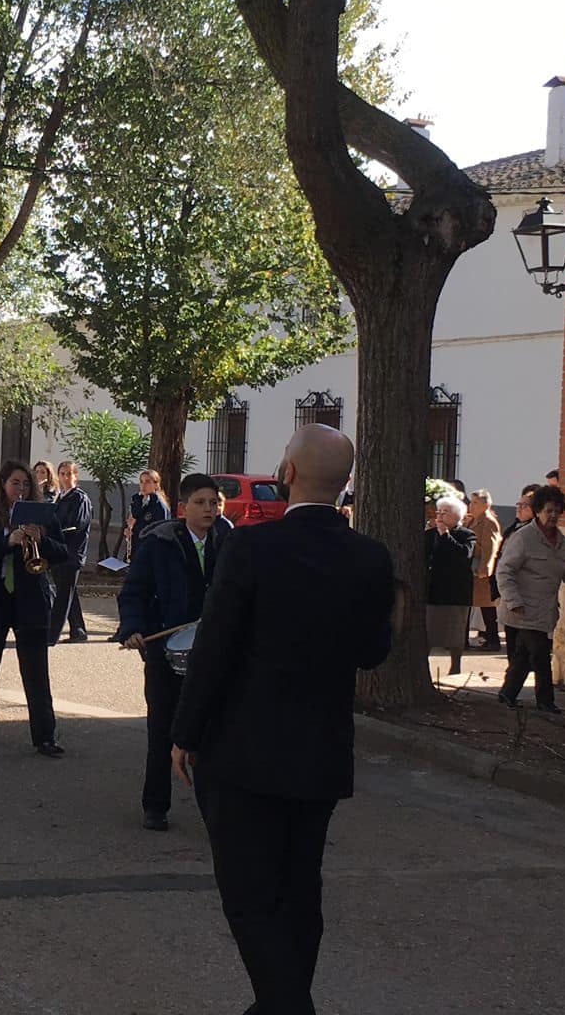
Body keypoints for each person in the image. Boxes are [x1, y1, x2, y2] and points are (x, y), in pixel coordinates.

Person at [170, 425, 394, 1015]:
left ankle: (288, 1004)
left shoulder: (251, 547)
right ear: (345, 482)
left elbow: (214, 647)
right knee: (299, 889)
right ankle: (280, 1002)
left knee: (248, 894)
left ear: (287, 474)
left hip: (243, 748)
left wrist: (184, 733)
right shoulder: (370, 557)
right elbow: (374, 651)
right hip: (320, 748)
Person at [118, 472, 226, 832]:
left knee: (211, 734)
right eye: (200, 502)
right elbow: (134, 592)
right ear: (183, 508)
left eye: (213, 503)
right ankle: (155, 805)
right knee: (161, 729)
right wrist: (133, 628)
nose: (209, 509)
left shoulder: (228, 541)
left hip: (212, 654)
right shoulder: (159, 543)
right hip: (166, 653)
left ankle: (214, 811)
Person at [0, 460, 70, 755]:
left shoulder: (42, 512)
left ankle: (45, 736)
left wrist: (41, 539)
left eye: (26, 484)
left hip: (30, 598)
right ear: (3, 484)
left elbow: (62, 552)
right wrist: (6, 541)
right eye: (15, 483)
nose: (21, 489)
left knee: (36, 671)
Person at [496, 484, 565, 713]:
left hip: (545, 610)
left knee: (524, 655)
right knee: (541, 654)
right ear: (537, 511)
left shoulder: (561, 541)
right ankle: (545, 700)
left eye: (557, 511)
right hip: (523, 609)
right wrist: (513, 601)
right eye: (548, 511)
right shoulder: (523, 537)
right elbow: (504, 571)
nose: (553, 515)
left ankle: (507, 693)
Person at [424, 495, 476, 677]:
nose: (439, 516)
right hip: (434, 589)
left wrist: (445, 535)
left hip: (457, 590)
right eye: (438, 512)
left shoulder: (467, 535)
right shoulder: (429, 535)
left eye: (444, 513)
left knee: (455, 632)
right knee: (429, 630)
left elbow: (464, 555)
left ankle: (455, 666)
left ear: (456, 516)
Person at [48, 461, 93, 644]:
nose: (66, 477)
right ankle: (78, 630)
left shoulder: (80, 498)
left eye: (69, 473)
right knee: (69, 594)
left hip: (71, 554)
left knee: (63, 596)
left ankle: (51, 635)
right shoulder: (60, 497)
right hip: (58, 552)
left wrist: (54, 533)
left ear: (76, 476)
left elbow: (77, 525)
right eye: (63, 473)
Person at [467, 489, 503, 652]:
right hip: (471, 570)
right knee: (474, 604)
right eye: (471, 502)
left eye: (475, 503)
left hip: (480, 571)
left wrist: (485, 569)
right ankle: (466, 639)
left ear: (485, 505)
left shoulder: (489, 521)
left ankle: (493, 640)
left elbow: (490, 547)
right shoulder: (472, 520)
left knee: (487, 606)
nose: (471, 506)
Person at [124, 468, 171, 558]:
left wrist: (136, 527)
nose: (143, 485)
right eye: (141, 482)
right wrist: (129, 533)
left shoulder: (159, 505)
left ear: (156, 485)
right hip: (137, 549)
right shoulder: (138, 502)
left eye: (147, 482)